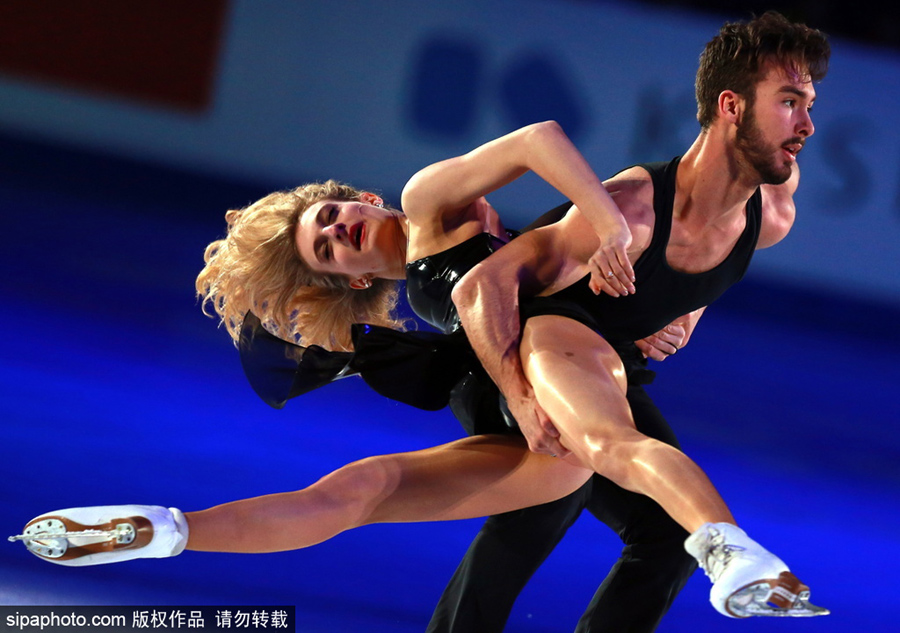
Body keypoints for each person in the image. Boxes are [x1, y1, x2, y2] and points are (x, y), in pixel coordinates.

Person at [11, 40, 826, 621]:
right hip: (523, 382)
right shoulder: (439, 228)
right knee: (376, 491)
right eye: (328, 250)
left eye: (333, 215)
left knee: (610, 523)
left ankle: (173, 532)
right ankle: (167, 529)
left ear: (360, 196)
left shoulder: (430, 194)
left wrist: (663, 289)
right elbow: (487, 287)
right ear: (353, 280)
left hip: (542, 383)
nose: (341, 232)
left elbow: (548, 151)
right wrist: (607, 232)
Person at [434, 10, 830, 630]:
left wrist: (686, 308)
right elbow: (482, 286)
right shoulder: (631, 213)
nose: (807, 124)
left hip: (607, 362)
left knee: (665, 536)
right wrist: (521, 395)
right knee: (566, 480)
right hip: (522, 341)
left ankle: (715, 548)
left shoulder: (770, 215)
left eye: (808, 103)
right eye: (788, 102)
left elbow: (705, 259)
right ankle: (730, 552)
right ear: (730, 105)